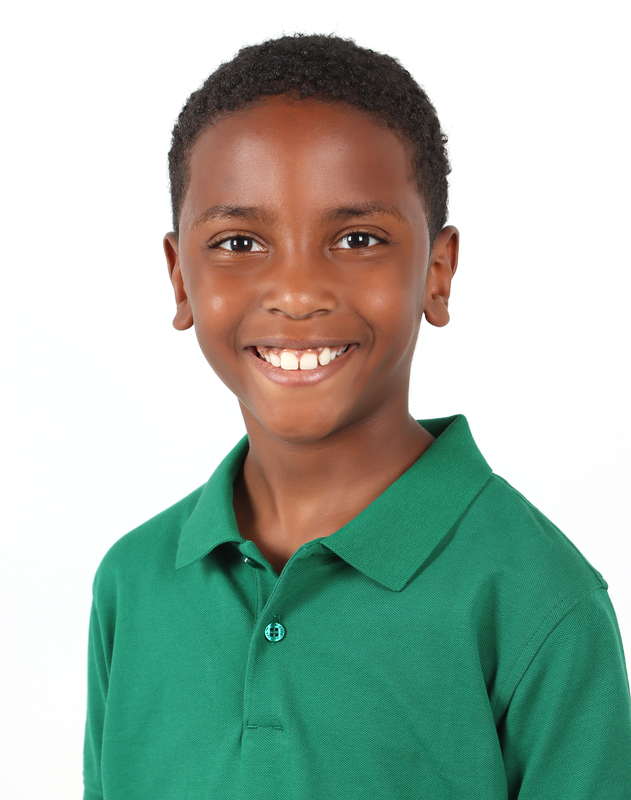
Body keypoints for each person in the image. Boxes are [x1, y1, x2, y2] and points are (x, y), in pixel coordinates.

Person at [82, 34, 631, 800]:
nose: (297, 292)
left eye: (357, 239)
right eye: (239, 242)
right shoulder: (133, 583)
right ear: (180, 279)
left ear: (436, 272)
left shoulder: (538, 600)